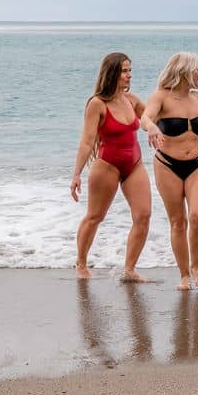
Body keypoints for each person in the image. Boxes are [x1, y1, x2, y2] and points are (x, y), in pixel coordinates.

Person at [141, 52, 198, 290]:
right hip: (167, 165)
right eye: (197, 70)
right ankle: (184, 275)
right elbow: (145, 118)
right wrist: (151, 126)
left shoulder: (197, 99)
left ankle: (196, 266)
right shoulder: (160, 96)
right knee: (178, 222)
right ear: (184, 71)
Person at [69, 52, 154, 281]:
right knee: (95, 216)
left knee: (143, 215)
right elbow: (87, 141)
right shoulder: (97, 104)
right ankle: (81, 262)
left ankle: (129, 269)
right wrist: (76, 174)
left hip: (134, 164)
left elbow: (151, 119)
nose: (129, 76)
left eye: (130, 71)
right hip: (107, 165)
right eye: (125, 71)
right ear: (113, 73)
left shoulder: (132, 100)